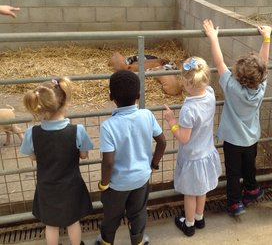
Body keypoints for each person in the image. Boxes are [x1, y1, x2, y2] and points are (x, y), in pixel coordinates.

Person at [202, 19, 271, 217]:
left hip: (233, 139)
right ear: (261, 76)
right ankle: (252, 190)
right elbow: (263, 63)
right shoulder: (261, 87)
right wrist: (266, 39)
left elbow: (219, 62)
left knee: (233, 172)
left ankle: (234, 203)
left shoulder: (231, 87)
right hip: (251, 138)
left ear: (237, 75)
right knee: (249, 166)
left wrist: (213, 38)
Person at [96, 70, 166, 245]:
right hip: (142, 179)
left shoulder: (108, 127)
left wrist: (104, 183)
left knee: (112, 215)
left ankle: (106, 241)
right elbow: (162, 142)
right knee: (138, 212)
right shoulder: (147, 115)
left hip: (117, 185)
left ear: (111, 96)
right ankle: (138, 240)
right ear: (138, 95)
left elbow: (109, 162)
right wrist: (153, 165)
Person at [20, 77, 93, 245]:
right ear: (65, 101)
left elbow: (33, 157)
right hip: (71, 185)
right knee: (73, 221)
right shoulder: (77, 131)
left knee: (51, 224)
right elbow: (83, 155)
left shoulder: (32, 133)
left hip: (47, 187)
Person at [164, 56, 222, 237]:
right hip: (205, 152)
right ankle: (199, 217)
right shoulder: (211, 94)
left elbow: (183, 137)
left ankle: (189, 225)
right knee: (201, 189)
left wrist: (172, 122)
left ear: (187, 84)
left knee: (190, 193)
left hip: (192, 157)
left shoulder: (188, 110)